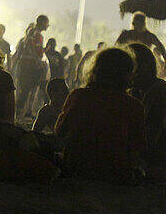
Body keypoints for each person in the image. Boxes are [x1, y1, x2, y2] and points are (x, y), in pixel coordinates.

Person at [55, 47, 145, 183]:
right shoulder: (134, 106)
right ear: (127, 74)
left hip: (77, 170)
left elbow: (60, 132)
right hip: (116, 176)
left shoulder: (78, 96)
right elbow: (136, 149)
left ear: (96, 69)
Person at [128, 43, 166, 178]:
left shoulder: (157, 93)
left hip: (163, 166)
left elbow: (150, 139)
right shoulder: (150, 90)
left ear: (142, 67)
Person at [14, 15, 50, 118]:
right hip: (31, 65)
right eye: (47, 23)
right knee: (31, 87)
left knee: (25, 88)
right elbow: (37, 51)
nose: (48, 26)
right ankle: (23, 110)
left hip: (24, 64)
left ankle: (23, 110)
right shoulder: (37, 35)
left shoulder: (30, 33)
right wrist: (45, 49)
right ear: (43, 23)